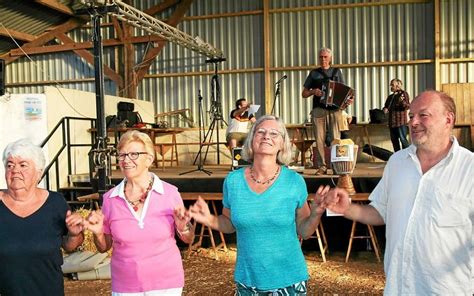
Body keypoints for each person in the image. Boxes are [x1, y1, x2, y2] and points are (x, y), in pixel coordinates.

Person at [321, 90, 473, 295]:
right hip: (398, 289)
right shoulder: (397, 162)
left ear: (448, 119)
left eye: (423, 115)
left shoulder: (469, 169)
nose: (413, 122)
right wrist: (347, 209)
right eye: (411, 116)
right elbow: (380, 211)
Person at [189, 115, 329, 295]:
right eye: (260, 132)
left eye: (274, 133)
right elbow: (229, 223)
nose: (266, 136)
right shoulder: (233, 181)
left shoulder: (294, 181)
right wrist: (209, 219)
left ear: (282, 144)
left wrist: (316, 213)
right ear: (251, 141)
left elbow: (303, 230)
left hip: (288, 280)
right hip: (248, 281)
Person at [85, 130, 194, 295]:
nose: (126, 160)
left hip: (166, 284)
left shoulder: (170, 193)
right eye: (122, 155)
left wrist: (183, 227)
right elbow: (103, 248)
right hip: (126, 285)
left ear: (149, 159)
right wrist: (98, 232)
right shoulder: (110, 199)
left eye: (133, 154)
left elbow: (188, 238)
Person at [0, 138, 84, 296]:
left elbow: (69, 246)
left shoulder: (55, 202)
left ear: (38, 172)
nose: (15, 170)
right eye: (9, 165)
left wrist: (74, 234)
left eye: (23, 165)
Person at [302, 47, 353, 174]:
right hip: (318, 110)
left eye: (325, 57)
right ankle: (322, 166)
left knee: (335, 138)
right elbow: (304, 93)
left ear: (330, 58)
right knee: (319, 139)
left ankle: (336, 166)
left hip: (335, 110)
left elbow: (344, 91)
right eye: (321, 57)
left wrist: (348, 100)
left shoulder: (337, 72)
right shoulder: (314, 73)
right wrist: (314, 91)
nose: (323, 59)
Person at [383, 78, 410, 151]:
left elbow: (407, 106)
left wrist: (402, 102)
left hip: (400, 122)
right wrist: (385, 109)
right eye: (390, 85)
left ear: (398, 85)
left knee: (403, 140)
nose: (391, 87)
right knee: (394, 142)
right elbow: (386, 106)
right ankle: (397, 157)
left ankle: (407, 157)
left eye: (392, 85)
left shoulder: (403, 94)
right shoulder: (390, 97)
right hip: (392, 123)